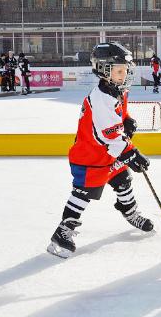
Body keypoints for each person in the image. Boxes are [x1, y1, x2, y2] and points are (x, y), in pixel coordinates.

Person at [47, 42, 153, 258]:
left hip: (107, 154)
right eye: (120, 70)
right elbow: (109, 134)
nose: (125, 75)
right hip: (90, 157)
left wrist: (128, 120)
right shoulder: (101, 98)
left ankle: (129, 212)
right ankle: (63, 231)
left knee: (123, 180)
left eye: (126, 70)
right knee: (83, 194)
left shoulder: (117, 91)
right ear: (105, 70)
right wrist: (131, 152)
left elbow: (119, 116)